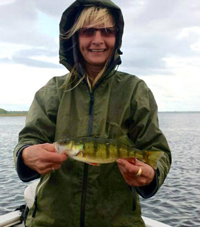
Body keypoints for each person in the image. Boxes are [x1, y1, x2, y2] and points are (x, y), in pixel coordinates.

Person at [14, 0, 171, 226]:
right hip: (51, 221)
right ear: (75, 37)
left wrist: (151, 173)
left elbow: (158, 151)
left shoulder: (135, 90)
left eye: (107, 31)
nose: (98, 40)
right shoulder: (53, 91)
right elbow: (28, 140)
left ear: (116, 38)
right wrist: (26, 156)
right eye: (88, 31)